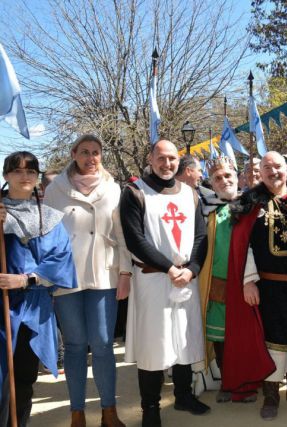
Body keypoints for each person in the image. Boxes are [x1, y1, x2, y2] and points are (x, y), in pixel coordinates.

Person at [119, 139, 209, 427]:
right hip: (153, 279)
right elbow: (135, 239)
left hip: (185, 278)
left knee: (184, 339)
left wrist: (192, 269)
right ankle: (151, 408)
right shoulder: (134, 192)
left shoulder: (190, 193)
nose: (167, 164)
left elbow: (200, 237)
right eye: (161, 158)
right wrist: (170, 268)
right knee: (154, 345)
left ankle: (182, 396)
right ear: (150, 158)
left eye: (172, 158)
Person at [43, 134, 131, 427]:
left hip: (104, 274)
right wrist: (49, 275)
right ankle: (77, 413)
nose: (90, 158)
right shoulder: (56, 189)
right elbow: (46, 233)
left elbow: (122, 234)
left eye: (96, 152)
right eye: (84, 152)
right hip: (67, 278)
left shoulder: (113, 188)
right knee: (76, 345)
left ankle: (109, 411)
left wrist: (125, 272)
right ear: (73, 154)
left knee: (104, 344)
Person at [226, 151, 287, 420]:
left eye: (278, 167)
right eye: (267, 167)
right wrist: (248, 281)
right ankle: (271, 392)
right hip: (267, 286)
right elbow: (244, 246)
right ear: (259, 172)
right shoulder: (250, 204)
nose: (274, 172)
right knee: (271, 339)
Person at [0, 151, 77, 426]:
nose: (24, 176)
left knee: (23, 379)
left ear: (37, 177)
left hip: (33, 309)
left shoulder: (50, 218)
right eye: (17, 170)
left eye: (30, 171)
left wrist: (25, 279)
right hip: (2, 308)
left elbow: (61, 261)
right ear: (6, 175)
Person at [196, 155, 242, 404]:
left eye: (228, 176)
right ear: (211, 184)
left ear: (237, 177)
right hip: (217, 283)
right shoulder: (205, 211)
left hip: (248, 284)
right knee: (221, 337)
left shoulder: (251, 205)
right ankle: (227, 382)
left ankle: (246, 381)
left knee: (246, 336)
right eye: (218, 178)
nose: (224, 181)